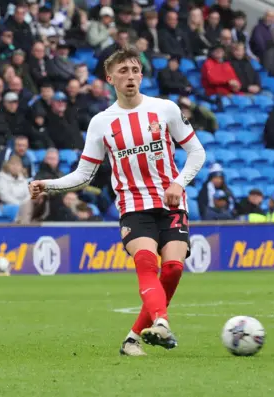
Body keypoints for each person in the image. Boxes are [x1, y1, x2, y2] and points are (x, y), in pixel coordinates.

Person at [29, 48, 206, 356]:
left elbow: (197, 153)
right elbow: (84, 175)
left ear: (141, 75)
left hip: (171, 201)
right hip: (133, 205)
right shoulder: (101, 122)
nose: (130, 76)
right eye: (123, 71)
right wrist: (49, 185)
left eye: (135, 70)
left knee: (174, 268)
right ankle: (161, 322)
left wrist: (179, 182)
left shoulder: (165, 109)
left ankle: (132, 338)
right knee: (147, 262)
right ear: (110, 78)